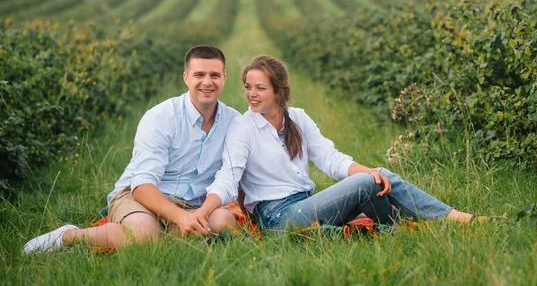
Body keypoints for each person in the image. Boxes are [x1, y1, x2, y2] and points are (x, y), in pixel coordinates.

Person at [196, 55, 485, 231]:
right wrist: (202, 212)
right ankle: (449, 219)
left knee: (377, 176)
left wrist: (369, 171)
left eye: (260, 88)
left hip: (306, 204)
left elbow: (330, 159)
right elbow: (228, 178)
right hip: (278, 218)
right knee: (367, 182)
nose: (251, 94)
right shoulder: (242, 127)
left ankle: (410, 226)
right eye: (248, 87)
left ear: (278, 91)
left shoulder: (297, 118)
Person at [23, 45, 240, 254]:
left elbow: (229, 177)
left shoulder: (234, 122)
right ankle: (69, 236)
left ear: (224, 77)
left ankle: (167, 233)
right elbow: (142, 185)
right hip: (141, 197)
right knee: (143, 236)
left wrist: (197, 215)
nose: (207, 82)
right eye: (199, 75)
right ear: (186, 77)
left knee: (223, 221)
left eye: (214, 75)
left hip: (193, 205)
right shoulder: (160, 117)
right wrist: (181, 218)